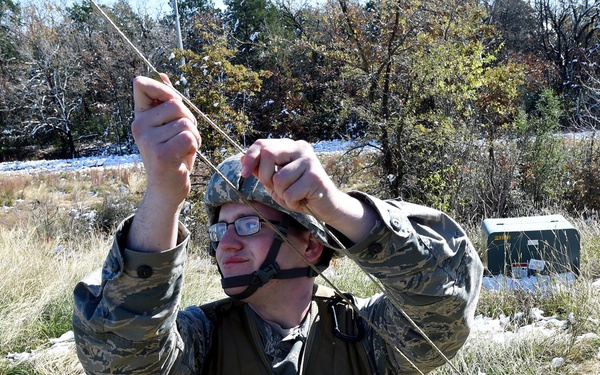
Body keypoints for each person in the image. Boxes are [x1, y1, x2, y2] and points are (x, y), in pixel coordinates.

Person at [72, 74, 484, 374]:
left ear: (312, 246)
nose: (226, 244)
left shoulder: (368, 339)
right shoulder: (201, 341)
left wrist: (336, 208)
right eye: (220, 230)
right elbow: (120, 358)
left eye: (248, 225)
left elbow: (446, 303)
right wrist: (162, 196)